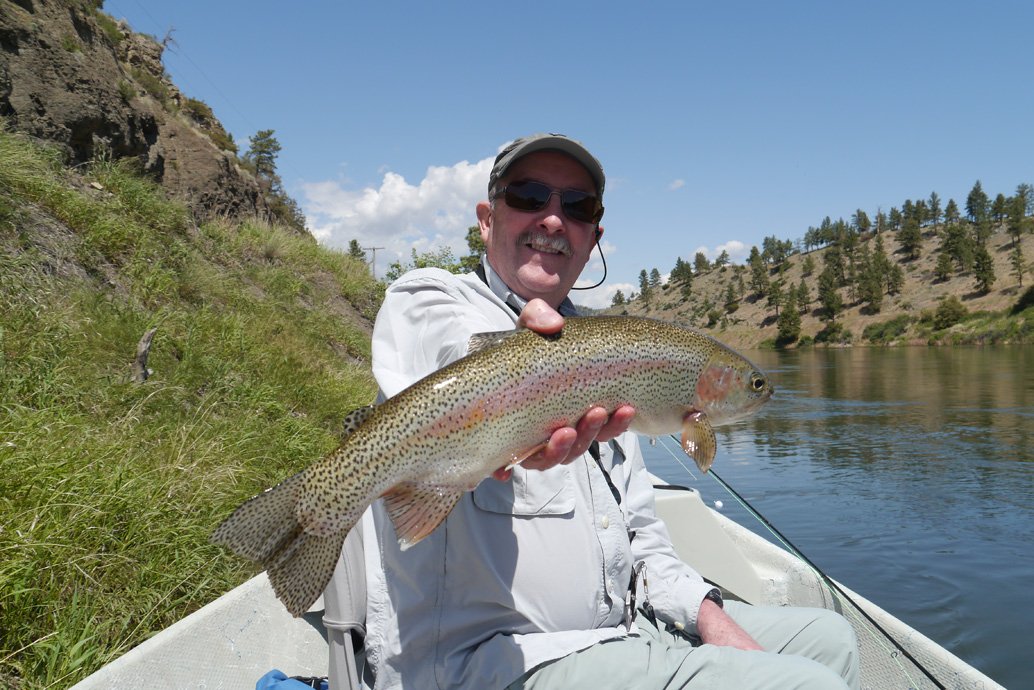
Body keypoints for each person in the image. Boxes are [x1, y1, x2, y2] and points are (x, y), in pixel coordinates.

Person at [360, 133, 860, 689]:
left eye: (577, 207)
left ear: (594, 235)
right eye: (529, 196)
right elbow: (443, 352)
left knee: (829, 642)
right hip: (487, 663)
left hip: (619, 633)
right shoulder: (426, 299)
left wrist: (709, 617)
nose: (553, 219)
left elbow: (643, 537)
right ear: (486, 218)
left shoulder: (605, 356)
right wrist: (524, 362)